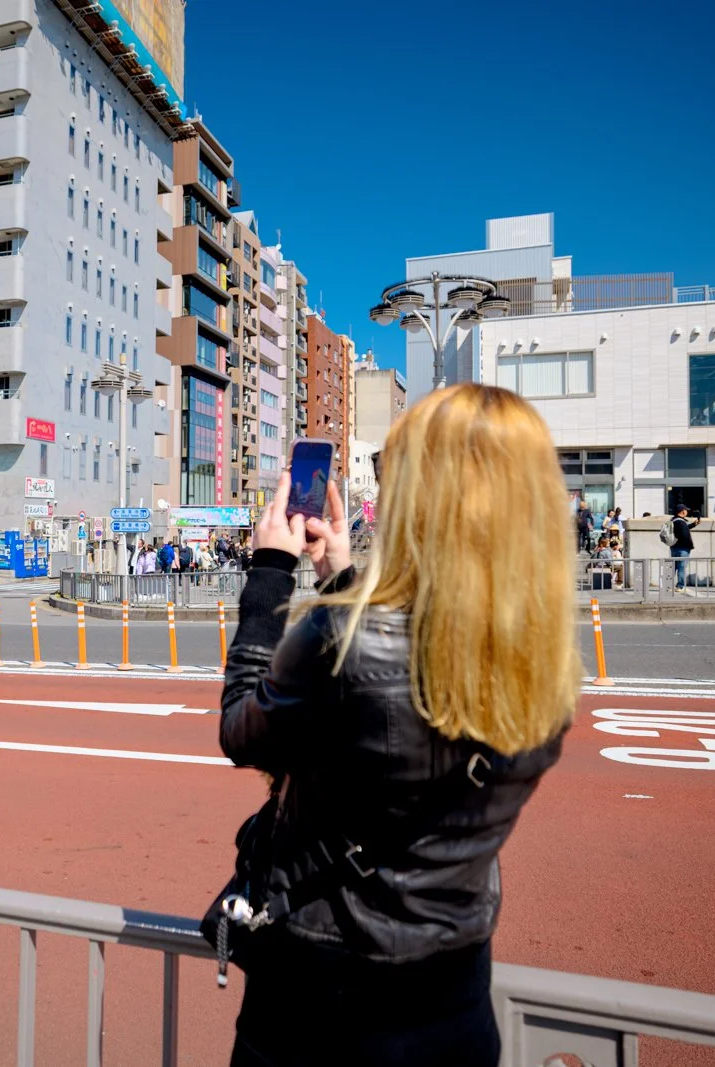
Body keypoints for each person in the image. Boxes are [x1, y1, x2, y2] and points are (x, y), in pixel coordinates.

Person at [214, 384, 574, 1067]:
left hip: (323, 998)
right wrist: (341, 573)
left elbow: (242, 729)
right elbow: (407, 685)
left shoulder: (338, 637)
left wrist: (269, 575)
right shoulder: (543, 660)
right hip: (454, 986)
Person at [668, 505, 699, 591]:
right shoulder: (681, 522)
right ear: (682, 511)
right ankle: (680, 586)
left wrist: (693, 525)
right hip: (683, 548)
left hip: (674, 547)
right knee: (681, 567)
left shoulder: (673, 520)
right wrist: (689, 546)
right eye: (686, 510)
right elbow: (685, 534)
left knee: (673, 567)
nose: (687, 512)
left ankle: (668, 585)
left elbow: (683, 529)